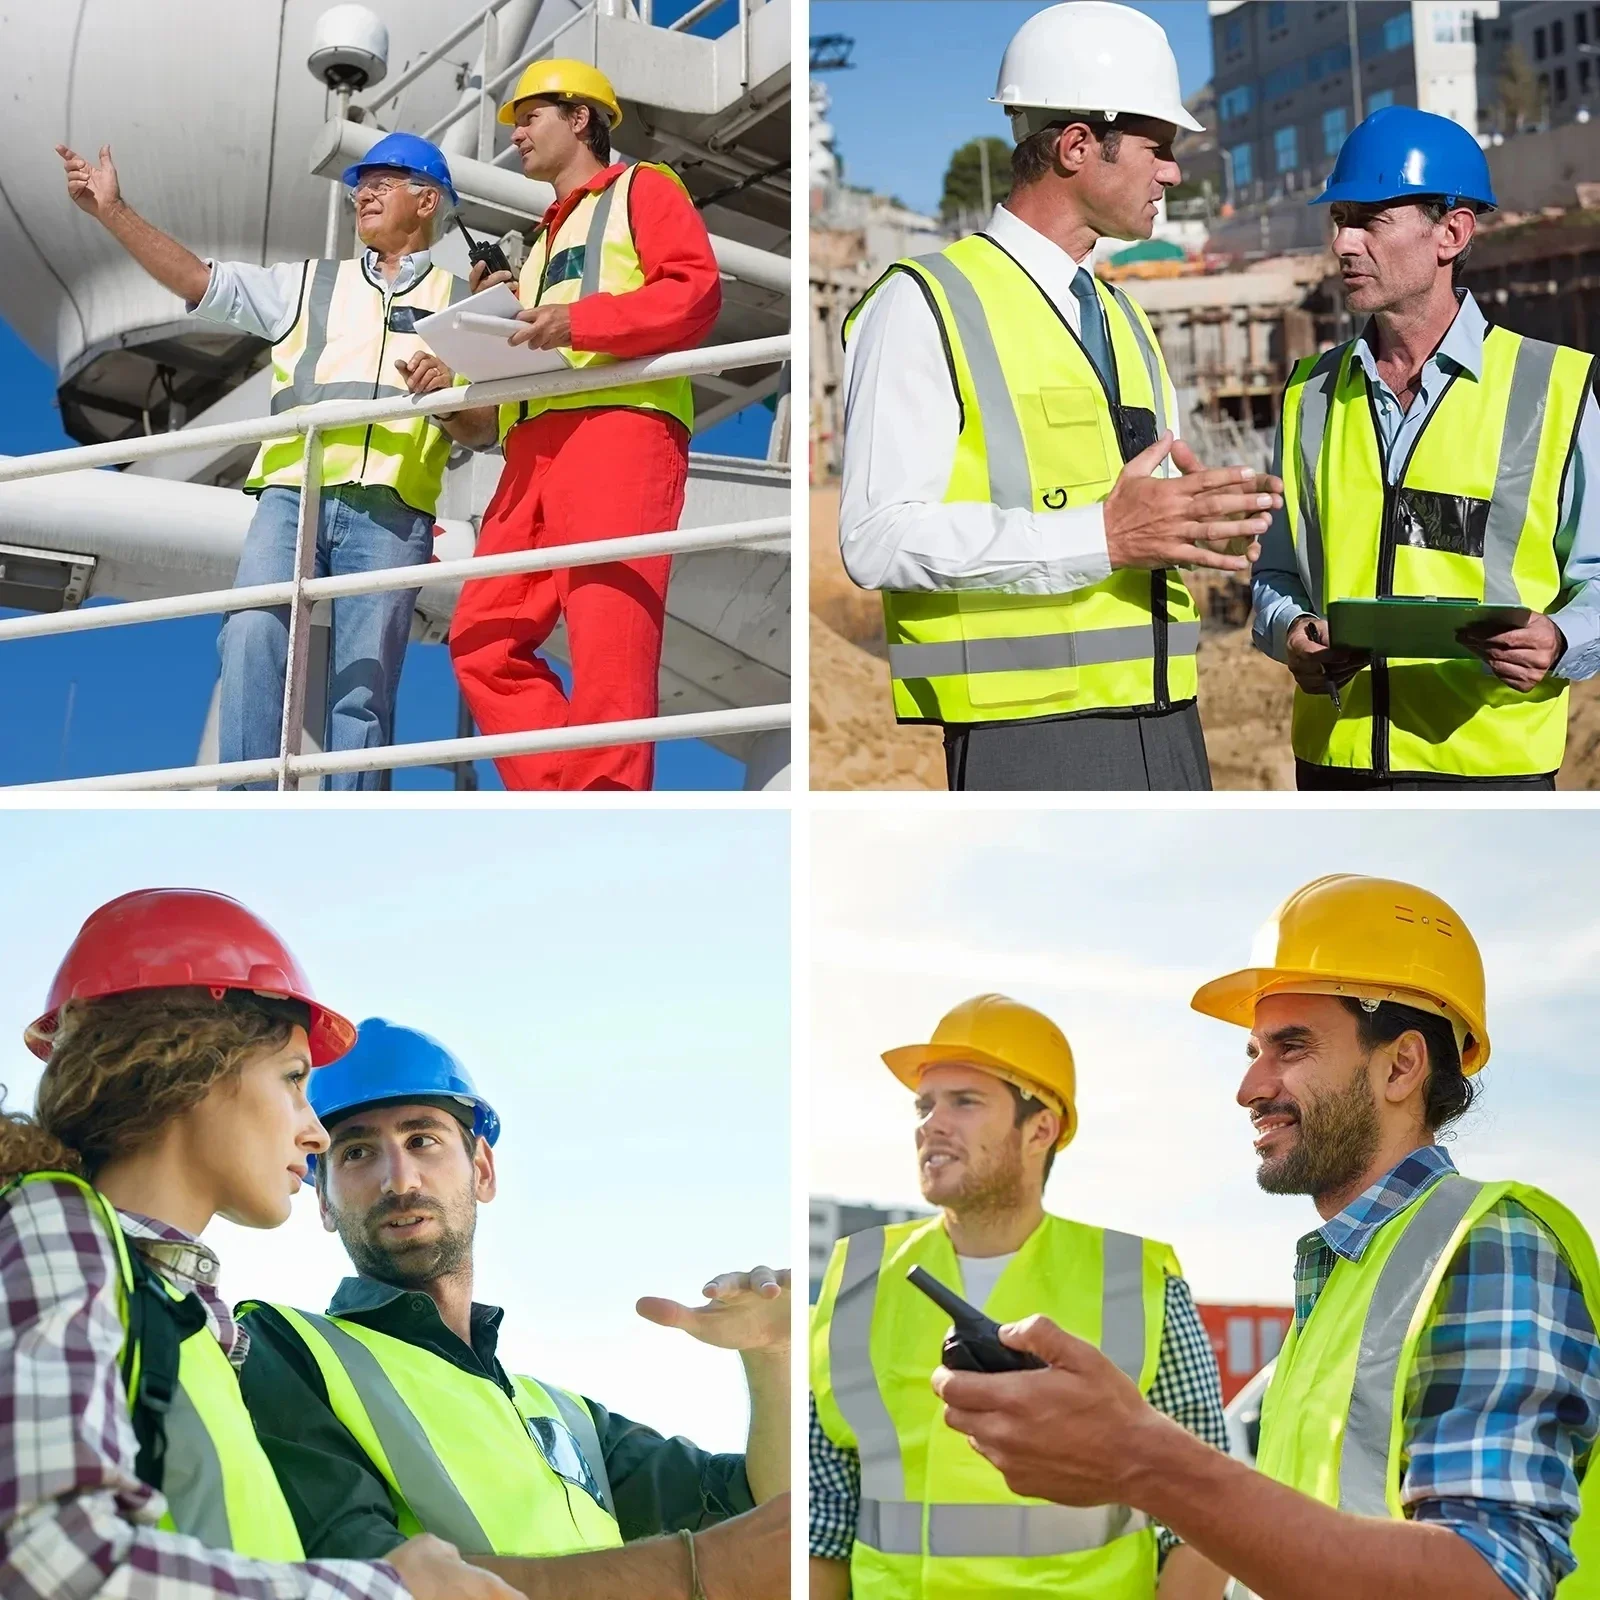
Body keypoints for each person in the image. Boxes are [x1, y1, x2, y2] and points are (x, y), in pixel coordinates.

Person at [933, 875, 1600, 1600]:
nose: (1250, 1087)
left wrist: (1144, 1461)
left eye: (1290, 1047)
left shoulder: (1491, 1243)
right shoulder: (1347, 1272)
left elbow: (1491, 1581)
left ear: (1402, 1066)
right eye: (1253, 1051)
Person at [0, 889, 510, 1600]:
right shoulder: (57, 1225)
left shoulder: (192, 1322)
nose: (317, 1133)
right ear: (189, 1066)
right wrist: (390, 1591)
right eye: (295, 1081)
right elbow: (48, 1562)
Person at [835, 1, 1283, 791]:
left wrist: (1199, 521)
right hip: (1027, 736)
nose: (1174, 172)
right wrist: (1100, 537)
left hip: (1170, 714)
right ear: (1078, 145)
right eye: (1159, 147)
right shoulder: (925, 302)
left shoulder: (1123, 316)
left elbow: (1133, 512)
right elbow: (875, 540)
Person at [236, 1018, 789, 1599]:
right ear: (323, 1200)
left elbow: (763, 1520)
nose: (398, 1179)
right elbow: (361, 1583)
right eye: (356, 1153)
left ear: (482, 1170)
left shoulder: (569, 1419)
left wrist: (773, 1355)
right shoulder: (280, 1350)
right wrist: (693, 1569)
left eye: (422, 1140)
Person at [56, 134, 468, 789]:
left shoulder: (463, 300)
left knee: (365, 688)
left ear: (427, 201)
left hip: (393, 509)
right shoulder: (305, 284)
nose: (362, 192)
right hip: (292, 495)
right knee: (250, 634)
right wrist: (113, 210)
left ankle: (352, 831)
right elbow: (198, 279)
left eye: (383, 183)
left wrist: (447, 393)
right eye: (361, 184)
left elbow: (486, 427)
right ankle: (248, 809)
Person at [810, 994, 1231, 1598]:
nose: (932, 1123)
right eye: (925, 1105)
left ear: (1041, 1129)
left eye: (965, 1102)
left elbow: (1200, 1511)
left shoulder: (1135, 1280)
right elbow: (823, 1517)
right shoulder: (858, 1277)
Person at [1253, 106, 1600, 790]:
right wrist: (1287, 631)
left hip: (1492, 771)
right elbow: (1276, 572)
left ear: (1451, 232)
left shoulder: (1552, 388)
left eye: (1369, 220)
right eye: (1339, 220)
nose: (1344, 244)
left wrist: (1562, 642)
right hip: (1336, 764)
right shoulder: (1309, 395)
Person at [399, 60, 722, 791]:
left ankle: (604, 808)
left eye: (529, 116)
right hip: (531, 448)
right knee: (483, 638)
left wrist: (574, 321)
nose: (515, 134)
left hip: (619, 431)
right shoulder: (542, 241)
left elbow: (694, 292)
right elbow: (534, 344)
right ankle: (574, 795)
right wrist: (463, 367)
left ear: (580, 119)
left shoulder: (646, 187)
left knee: (610, 645)